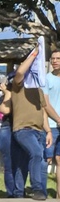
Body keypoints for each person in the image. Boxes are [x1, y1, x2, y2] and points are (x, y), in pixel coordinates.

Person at [7, 44, 60, 200]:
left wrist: (48, 131)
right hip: (23, 130)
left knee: (22, 163)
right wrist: (34, 54)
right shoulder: (19, 86)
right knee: (36, 154)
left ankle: (18, 193)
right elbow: (20, 72)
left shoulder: (38, 90)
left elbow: (42, 111)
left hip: (38, 131)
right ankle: (38, 189)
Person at [44, 50, 60, 181]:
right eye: (53, 59)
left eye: (58, 58)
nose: (55, 61)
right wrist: (58, 119)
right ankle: (39, 188)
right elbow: (45, 103)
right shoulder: (46, 79)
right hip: (51, 126)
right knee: (47, 158)